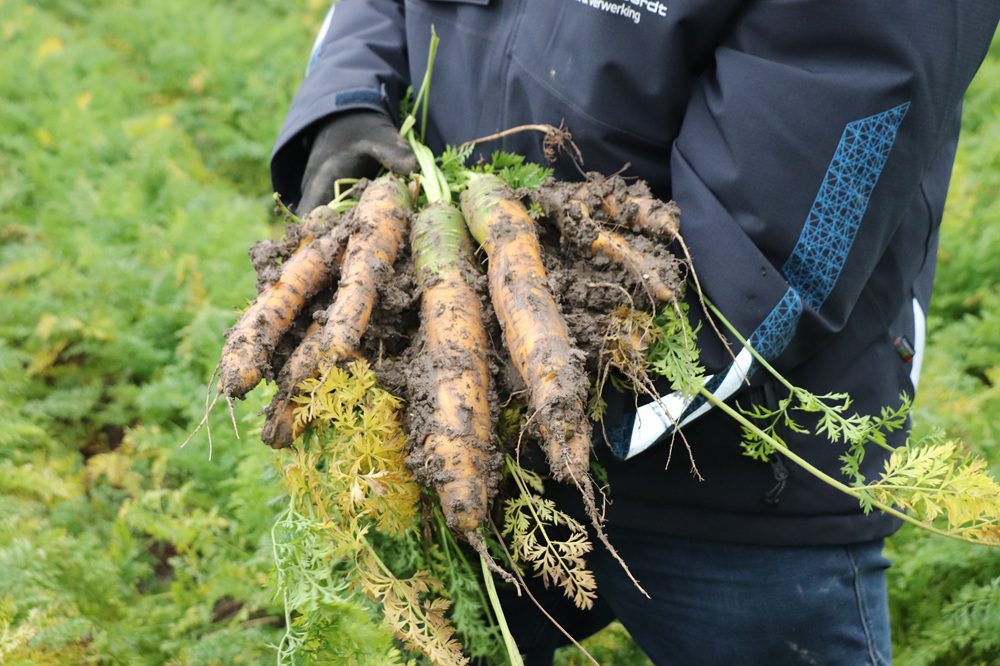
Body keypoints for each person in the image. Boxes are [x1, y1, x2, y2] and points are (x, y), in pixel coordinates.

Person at [271, 2, 999, 663]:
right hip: (468, 435)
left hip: (736, 475)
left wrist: (551, 382)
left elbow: (810, 158)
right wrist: (347, 102)